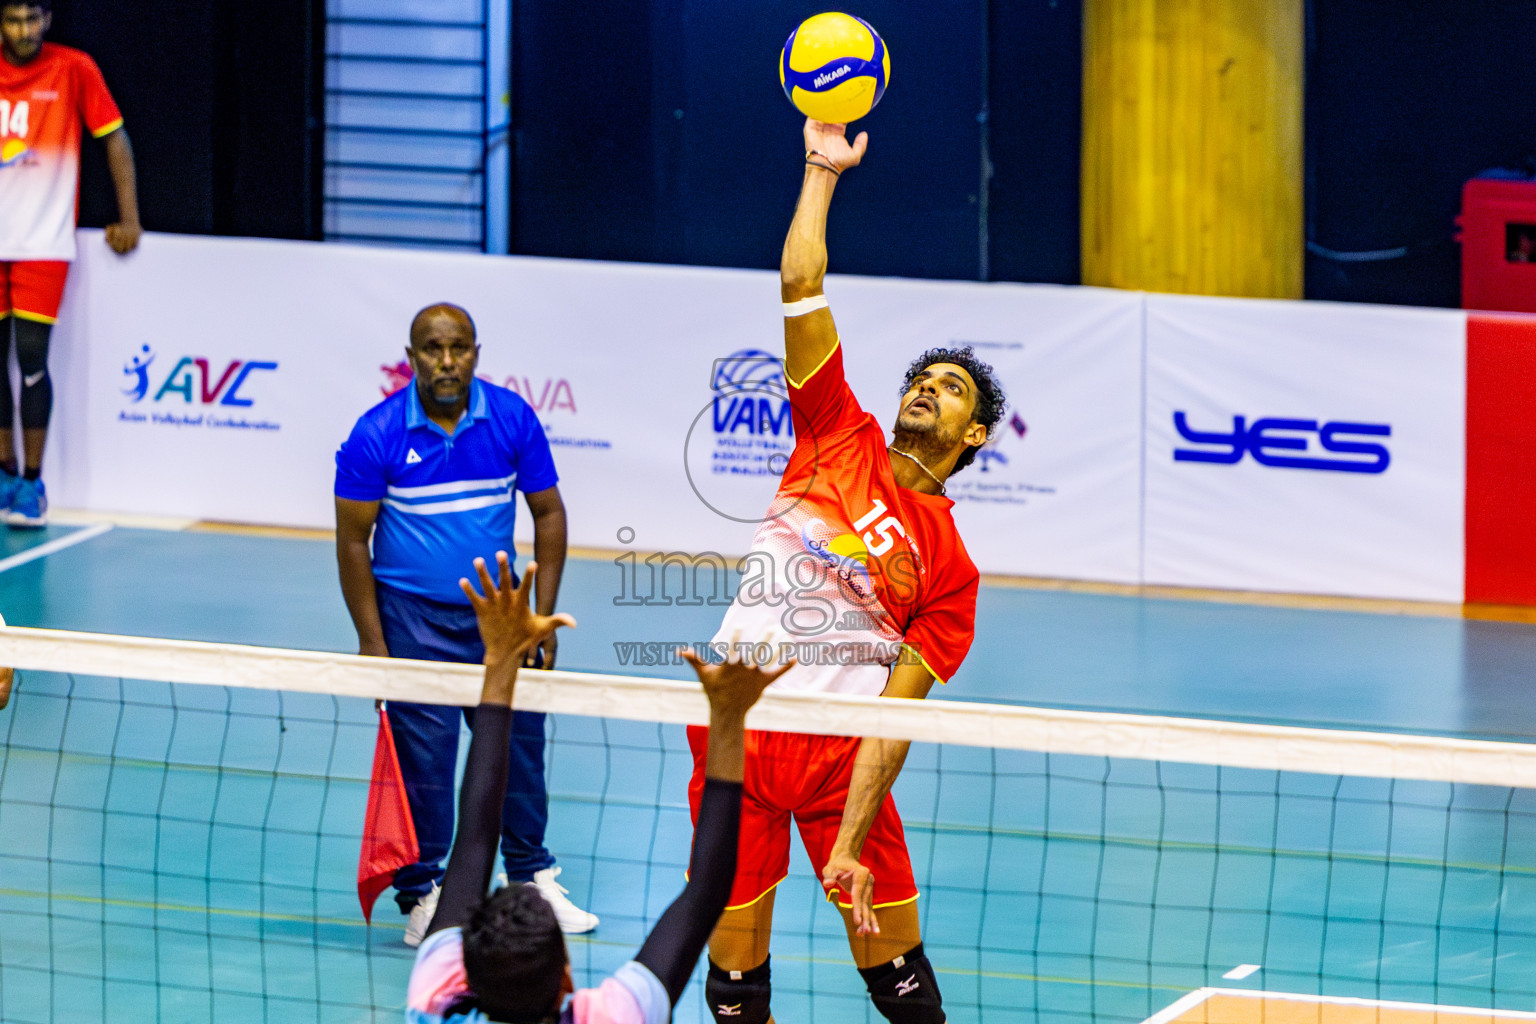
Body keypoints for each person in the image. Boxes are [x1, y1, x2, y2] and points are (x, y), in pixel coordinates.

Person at [687, 119, 1008, 1024]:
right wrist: (821, 170)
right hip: (736, 733)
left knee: (896, 972)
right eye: (923, 377)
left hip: (840, 762)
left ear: (974, 433)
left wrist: (854, 839)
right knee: (735, 964)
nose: (928, 388)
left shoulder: (951, 569)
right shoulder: (835, 431)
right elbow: (800, 280)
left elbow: (896, 716)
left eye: (951, 389)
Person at [406, 552, 791, 1024]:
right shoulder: (613, 1017)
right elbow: (707, 893)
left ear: (463, 967)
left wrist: (498, 659)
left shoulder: (435, 1001)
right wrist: (731, 720)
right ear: (566, 976)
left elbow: (472, 840)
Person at [335, 302, 593, 945]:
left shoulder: (510, 419)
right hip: (411, 620)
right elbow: (351, 541)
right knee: (425, 760)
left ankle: (531, 876)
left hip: (498, 618)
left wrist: (537, 617)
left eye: (458, 348)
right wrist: (373, 642)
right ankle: (423, 891)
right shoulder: (376, 434)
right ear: (411, 355)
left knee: (517, 748)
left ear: (477, 352)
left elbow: (550, 515)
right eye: (431, 348)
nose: (446, 361)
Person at [0, 0, 141, 527]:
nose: (23, 30)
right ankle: (5, 471)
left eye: (31, 18)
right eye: (13, 20)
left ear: (47, 19)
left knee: (32, 362)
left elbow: (114, 137)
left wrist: (130, 218)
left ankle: (32, 484)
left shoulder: (73, 67)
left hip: (42, 240)